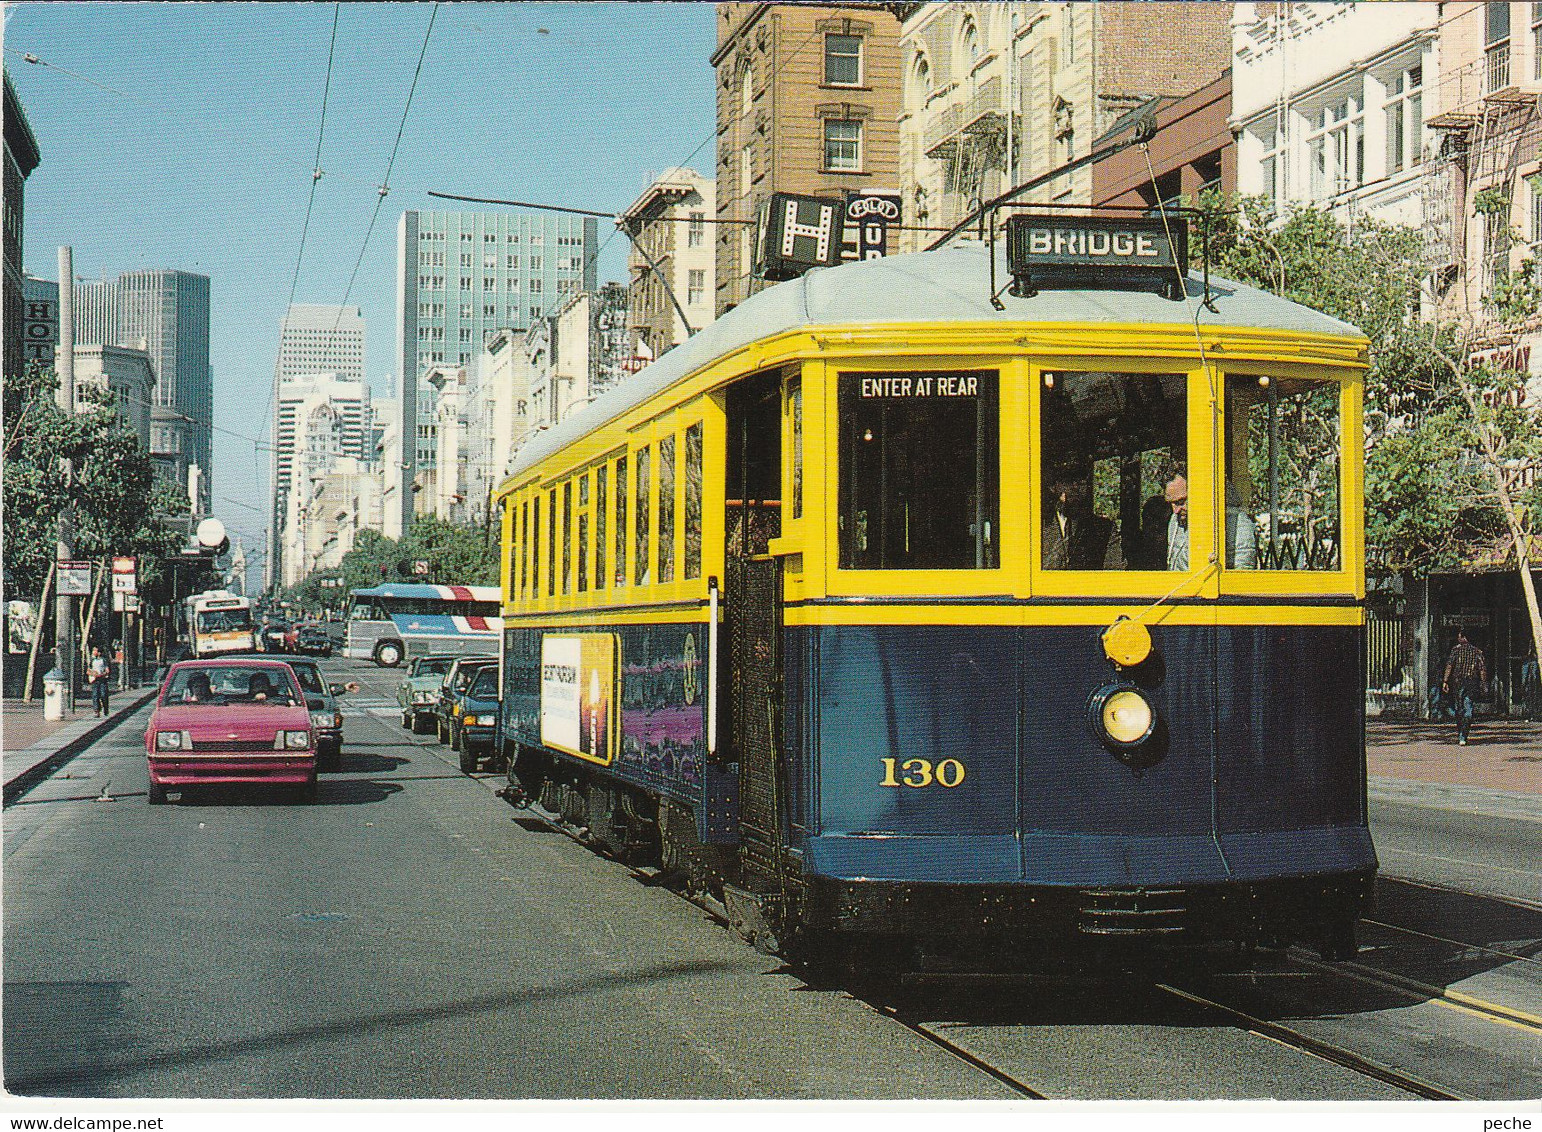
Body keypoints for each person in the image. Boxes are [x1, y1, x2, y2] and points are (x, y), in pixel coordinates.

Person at [1042, 478, 1123, 570]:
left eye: (1081, 480)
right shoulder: (1037, 528)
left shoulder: (1105, 529)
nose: (1075, 487)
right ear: (1053, 487)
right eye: (1068, 480)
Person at [1441, 629, 1488, 746]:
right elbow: (1482, 669)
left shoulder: (1456, 650)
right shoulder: (1477, 652)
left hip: (1458, 682)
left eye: (1459, 636)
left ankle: (1461, 731)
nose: (1458, 638)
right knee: (1468, 705)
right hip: (1472, 682)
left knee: (1458, 707)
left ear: (1464, 637)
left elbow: (1449, 666)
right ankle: (1464, 734)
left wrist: (1445, 681)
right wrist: (1483, 683)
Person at [1165, 474, 1190, 570]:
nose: (1175, 511)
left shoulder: (1234, 523)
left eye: (1181, 502)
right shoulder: (1174, 520)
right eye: (1171, 503)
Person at [87, 646, 111, 717]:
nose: (94, 652)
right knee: (95, 695)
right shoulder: (92, 660)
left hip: (102, 680)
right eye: (93, 650)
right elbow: (88, 671)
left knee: (103, 695)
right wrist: (93, 674)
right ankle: (96, 711)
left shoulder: (103, 660)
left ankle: (105, 708)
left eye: (95, 651)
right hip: (95, 680)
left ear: (99, 653)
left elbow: (107, 670)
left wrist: (102, 674)